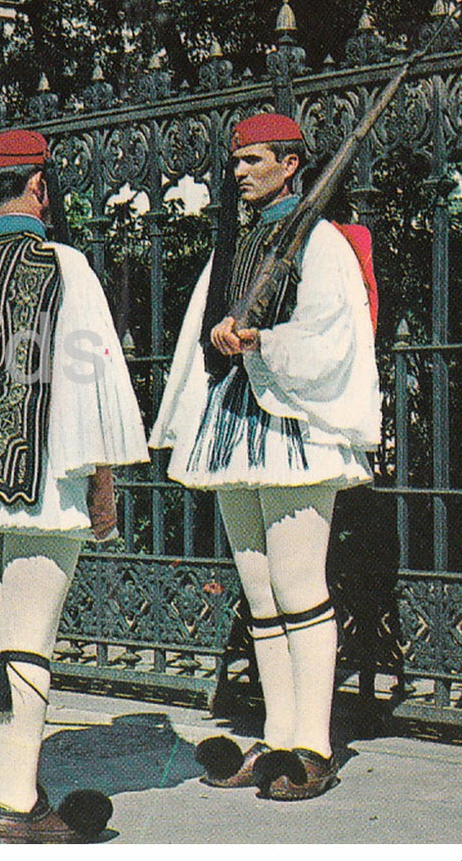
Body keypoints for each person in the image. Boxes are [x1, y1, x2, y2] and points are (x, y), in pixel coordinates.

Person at [0, 129, 148, 843]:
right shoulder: (62, 264)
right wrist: (101, 477)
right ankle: (17, 802)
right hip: (40, 467)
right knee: (28, 641)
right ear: (39, 186)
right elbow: (92, 375)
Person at [149, 112, 381, 800]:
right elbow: (201, 326)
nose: (240, 171)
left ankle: (312, 744)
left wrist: (260, 342)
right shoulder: (240, 243)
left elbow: (333, 334)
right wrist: (221, 339)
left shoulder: (321, 242)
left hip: (290, 426)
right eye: (237, 160)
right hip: (232, 423)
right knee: (259, 593)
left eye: (254, 159)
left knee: (298, 585)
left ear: (290, 163)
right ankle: (277, 736)